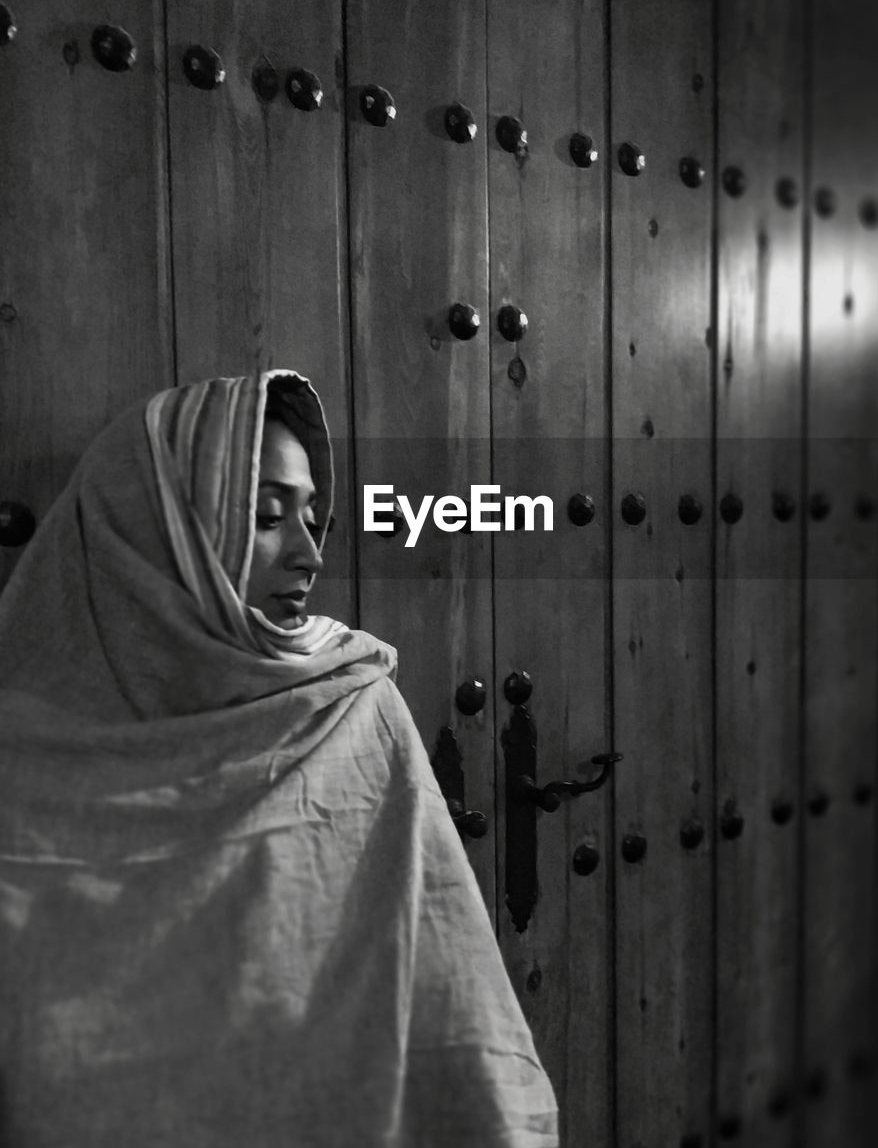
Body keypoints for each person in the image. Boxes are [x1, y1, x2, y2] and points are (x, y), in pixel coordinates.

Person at [0, 368, 558, 1147]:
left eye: (312, 518)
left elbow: (458, 1027)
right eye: (266, 516)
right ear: (157, 541)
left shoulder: (349, 708)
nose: (308, 554)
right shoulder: (23, 757)